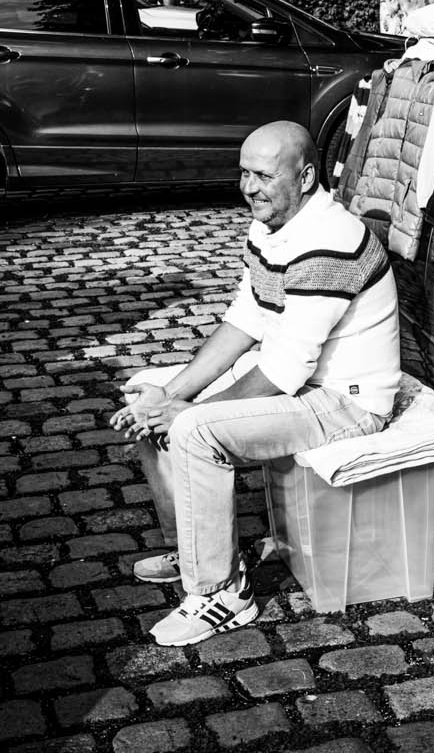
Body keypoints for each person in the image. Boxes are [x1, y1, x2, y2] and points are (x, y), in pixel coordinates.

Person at [112, 120, 400, 646]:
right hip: (302, 385)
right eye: (244, 173)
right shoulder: (271, 224)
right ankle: (193, 548)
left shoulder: (328, 240)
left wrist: (187, 412)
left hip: (344, 402)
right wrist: (170, 394)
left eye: (264, 175)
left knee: (195, 430)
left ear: (307, 176)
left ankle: (223, 593)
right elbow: (245, 319)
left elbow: (286, 368)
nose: (249, 188)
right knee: (148, 391)